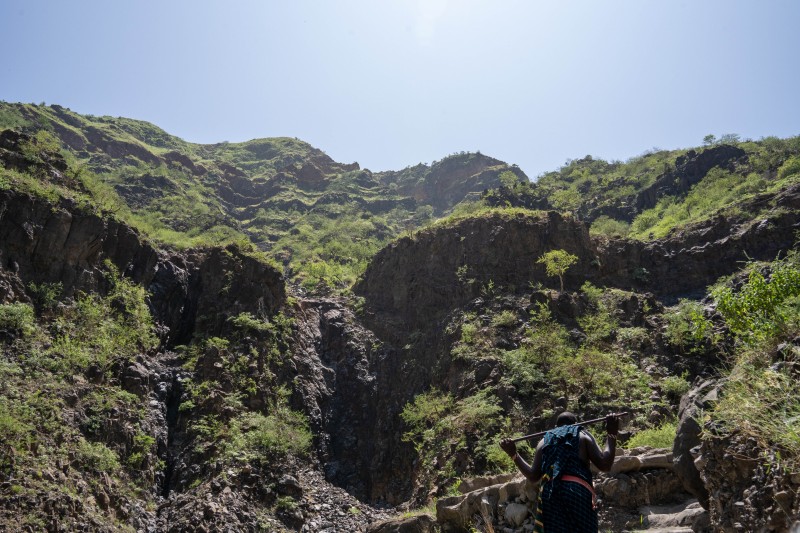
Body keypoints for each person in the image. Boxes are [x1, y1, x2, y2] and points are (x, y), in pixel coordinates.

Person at [500, 412, 620, 533]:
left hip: (550, 495)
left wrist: (513, 454)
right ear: (576, 423)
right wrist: (612, 433)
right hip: (577, 492)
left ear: (556, 426)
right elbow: (605, 465)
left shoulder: (544, 441)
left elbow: (533, 476)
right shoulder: (581, 434)